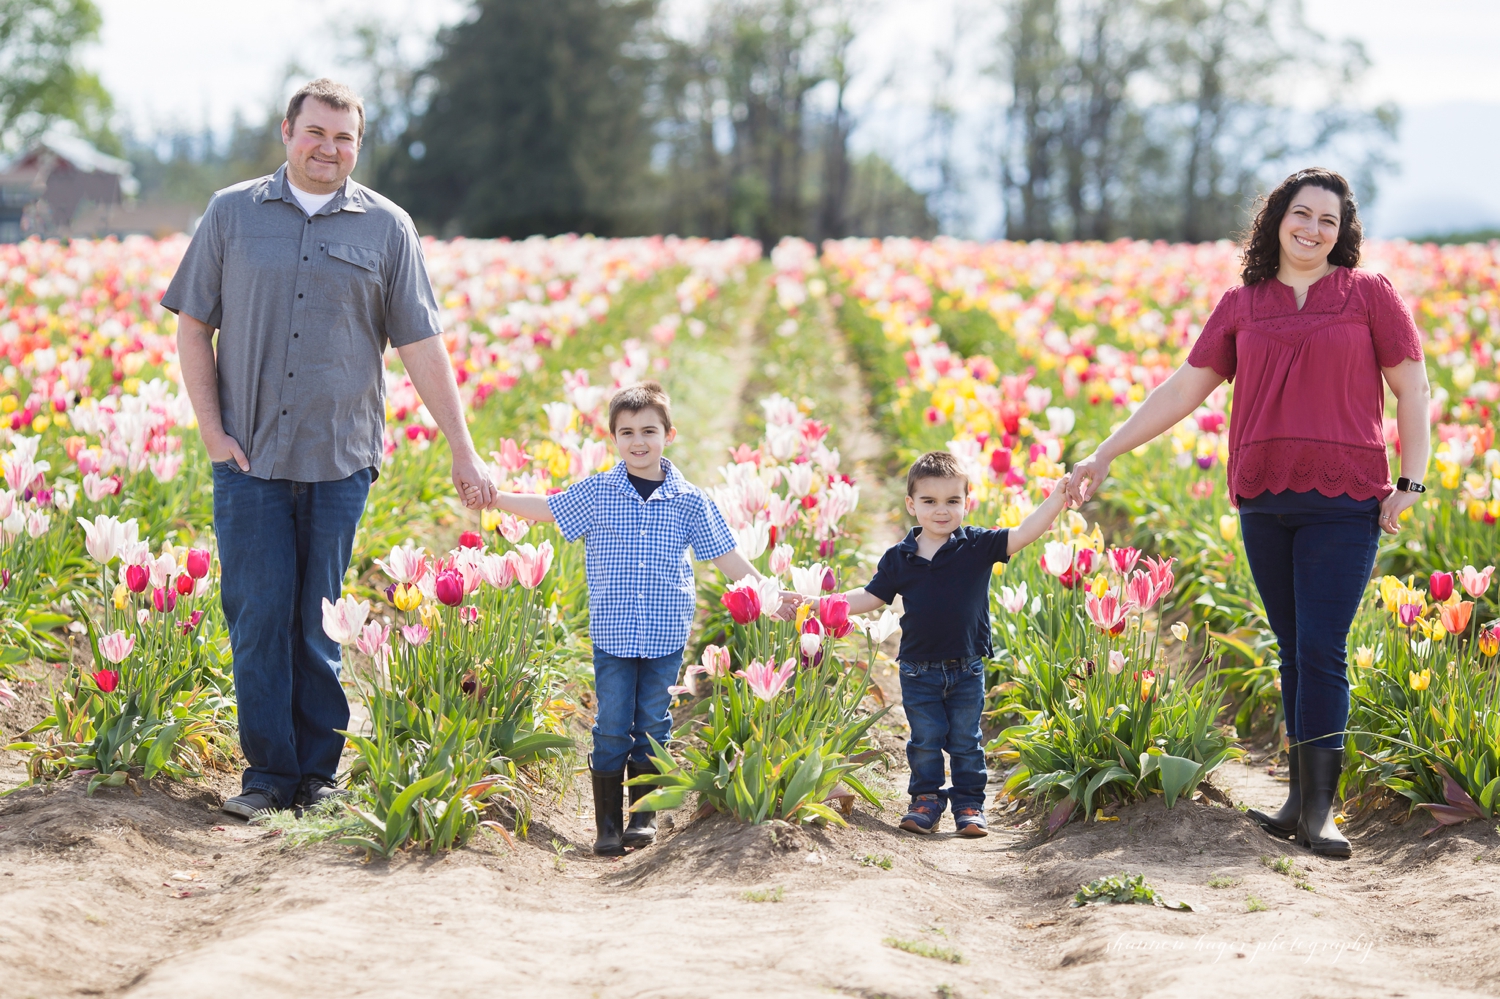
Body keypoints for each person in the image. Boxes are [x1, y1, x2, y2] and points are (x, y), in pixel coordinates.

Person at [1066, 167, 1430, 858]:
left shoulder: (1369, 296)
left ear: (1343, 232)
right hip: (1264, 498)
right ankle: (1297, 799)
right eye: (1302, 214)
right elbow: (1182, 389)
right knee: (1295, 650)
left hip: (1346, 498)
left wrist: (1412, 478)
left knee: (1322, 647)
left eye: (1329, 220)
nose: (1313, 229)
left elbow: (1413, 388)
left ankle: (1321, 810)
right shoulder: (1242, 304)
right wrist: (1104, 452)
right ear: (1276, 220)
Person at [163, 79, 498, 821]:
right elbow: (193, 326)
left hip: (341, 458)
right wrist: (214, 434)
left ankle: (319, 775)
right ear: (287, 132)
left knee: (320, 623)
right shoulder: (231, 215)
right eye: (315, 132)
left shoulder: (387, 228)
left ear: (357, 145)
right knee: (257, 617)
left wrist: (462, 449)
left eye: (344, 138)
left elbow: (421, 343)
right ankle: (266, 776)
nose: (329, 148)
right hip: (248, 460)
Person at [487, 381, 791, 855]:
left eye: (649, 430)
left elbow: (727, 558)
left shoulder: (689, 500)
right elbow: (547, 508)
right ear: (614, 439)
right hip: (613, 631)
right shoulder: (598, 492)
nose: (638, 441)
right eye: (626, 432)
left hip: (666, 633)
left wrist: (772, 594)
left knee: (653, 723)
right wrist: (496, 497)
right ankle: (607, 825)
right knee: (611, 724)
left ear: (669, 433)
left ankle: (642, 818)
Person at [838, 450, 1070, 837]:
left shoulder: (978, 545)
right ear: (912, 505)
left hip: (966, 666)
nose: (941, 510)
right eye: (929, 501)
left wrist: (1058, 497)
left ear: (967, 502)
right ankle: (925, 800)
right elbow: (869, 597)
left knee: (966, 740)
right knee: (925, 740)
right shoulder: (899, 557)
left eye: (952, 501)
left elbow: (1027, 531)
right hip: (917, 668)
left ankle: (968, 804)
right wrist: (819, 604)